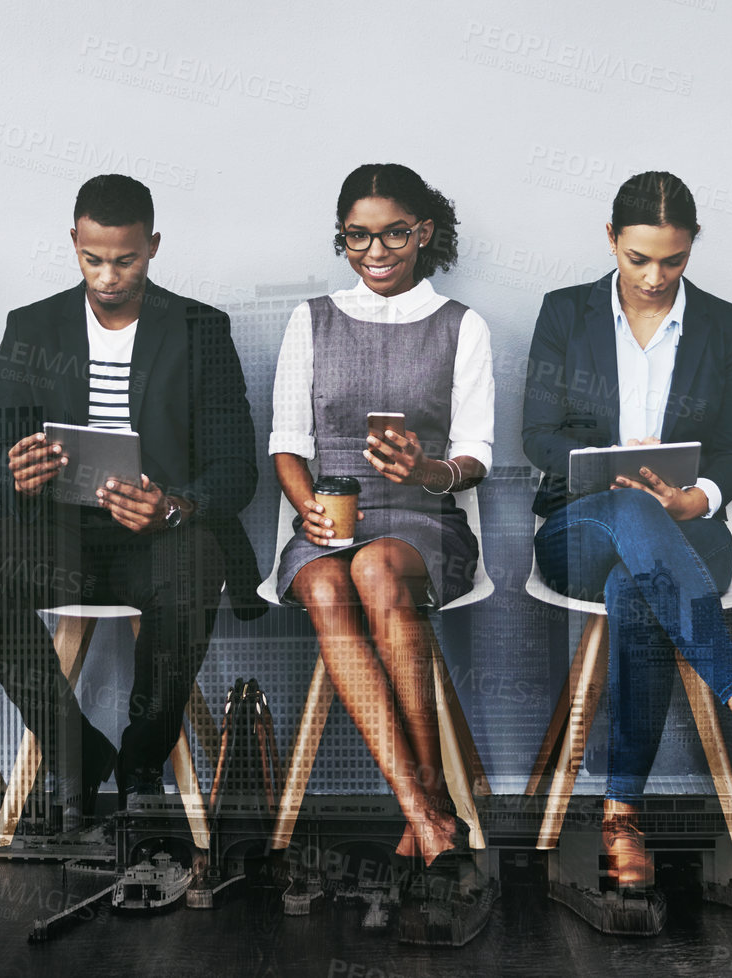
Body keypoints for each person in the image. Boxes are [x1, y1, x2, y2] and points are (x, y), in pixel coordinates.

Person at [522, 171, 732, 892]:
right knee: (628, 514)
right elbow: (534, 435)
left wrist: (699, 496)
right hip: (578, 527)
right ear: (610, 242)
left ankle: (620, 817)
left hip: (686, 537)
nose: (655, 277)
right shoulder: (563, 313)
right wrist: (607, 474)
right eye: (638, 259)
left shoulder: (723, 324)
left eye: (673, 260)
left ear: (691, 248)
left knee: (637, 590)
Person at [0, 173, 263, 831]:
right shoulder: (32, 326)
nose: (107, 276)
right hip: (58, 531)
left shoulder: (200, 329)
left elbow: (237, 470)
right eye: (92, 259)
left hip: (163, 537)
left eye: (124, 260)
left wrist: (174, 506)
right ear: (74, 242)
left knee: (188, 579)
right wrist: (17, 471)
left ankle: (142, 761)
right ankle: (75, 753)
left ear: (151, 246)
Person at [268, 163, 488, 866]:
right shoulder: (311, 319)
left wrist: (428, 471)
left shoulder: (462, 326)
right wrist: (308, 510)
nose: (376, 252)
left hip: (423, 520)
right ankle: (426, 809)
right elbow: (286, 444)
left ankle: (427, 800)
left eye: (393, 234)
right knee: (331, 583)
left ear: (423, 232)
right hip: (325, 521)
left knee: (375, 567)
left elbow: (475, 454)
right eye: (356, 237)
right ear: (343, 239)